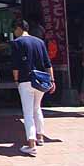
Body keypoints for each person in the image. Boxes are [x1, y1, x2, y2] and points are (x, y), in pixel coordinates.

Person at [11, 19, 55, 156]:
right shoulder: (39, 42)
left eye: (14, 29)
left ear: (19, 28)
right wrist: (52, 80)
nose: (14, 32)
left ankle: (31, 143)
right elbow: (48, 64)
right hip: (40, 81)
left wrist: (16, 80)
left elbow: (15, 65)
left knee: (28, 112)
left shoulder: (17, 43)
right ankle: (40, 136)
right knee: (37, 108)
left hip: (25, 80)